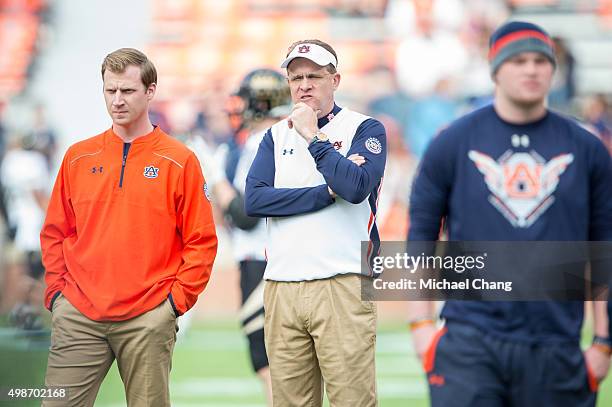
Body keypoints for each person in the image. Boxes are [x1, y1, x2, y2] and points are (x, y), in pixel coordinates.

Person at [407, 21, 612, 406]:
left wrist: (603, 342)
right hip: (470, 342)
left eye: (541, 60)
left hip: (556, 344)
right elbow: (420, 235)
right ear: (495, 69)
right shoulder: (452, 141)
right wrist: (421, 326)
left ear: (554, 69)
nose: (531, 69)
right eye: (518, 60)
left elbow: (604, 251)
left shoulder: (587, 149)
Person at [40, 48, 218, 406]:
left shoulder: (179, 160)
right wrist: (57, 295)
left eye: (128, 91)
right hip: (78, 312)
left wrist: (172, 304)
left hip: (149, 315)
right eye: (111, 91)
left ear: (150, 91)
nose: (117, 100)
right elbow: (55, 232)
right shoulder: (78, 156)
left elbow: (201, 241)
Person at [245, 39, 387, 406]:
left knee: (351, 399)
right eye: (296, 78)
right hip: (281, 284)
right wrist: (323, 194)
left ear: (335, 79)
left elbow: (354, 187)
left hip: (342, 281)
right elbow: (255, 200)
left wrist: (312, 135)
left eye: (314, 76)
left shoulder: (365, 128)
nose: (304, 85)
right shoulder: (273, 136)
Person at [187, 68, 291, 406]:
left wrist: (216, 177)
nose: (238, 107)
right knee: (280, 363)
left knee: (269, 362)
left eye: (244, 99)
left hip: (264, 261)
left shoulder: (265, 142)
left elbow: (246, 214)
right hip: (275, 256)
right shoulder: (281, 138)